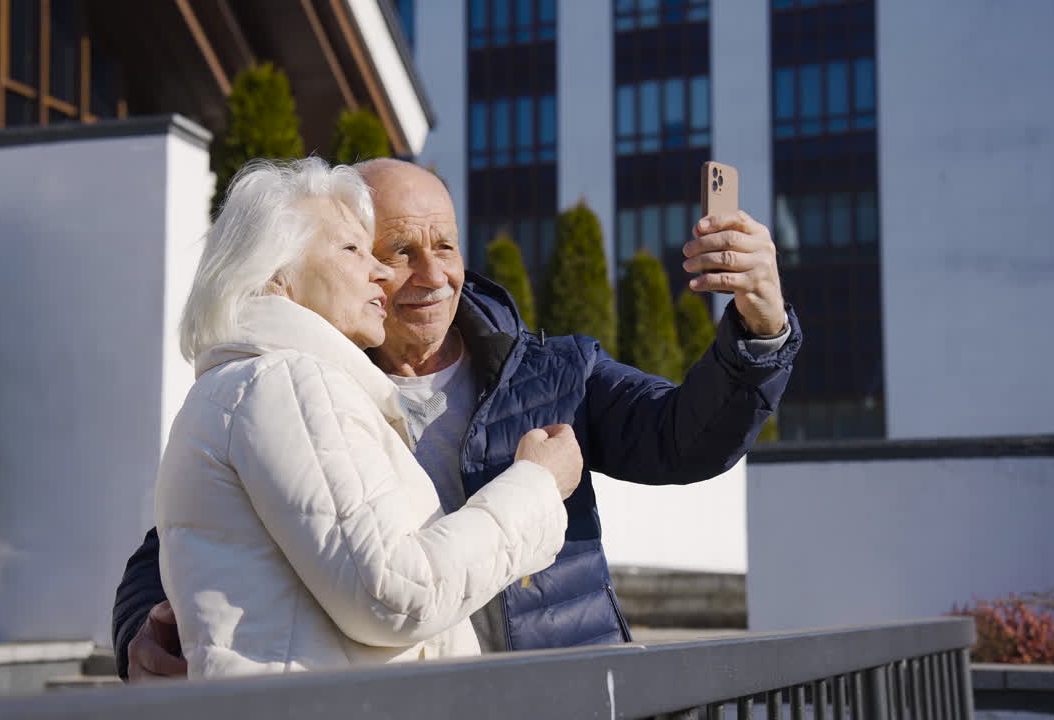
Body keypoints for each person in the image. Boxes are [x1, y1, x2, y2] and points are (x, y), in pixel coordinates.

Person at [113, 158, 802, 680]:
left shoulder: (553, 372)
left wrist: (760, 327)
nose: (429, 274)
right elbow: (178, 540)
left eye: (444, 246)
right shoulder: (306, 389)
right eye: (393, 251)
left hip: (558, 696)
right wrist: (142, 627)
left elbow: (686, 440)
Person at [153, 157, 580, 677]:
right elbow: (396, 596)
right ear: (277, 276)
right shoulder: (287, 381)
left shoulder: (239, 385)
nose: (379, 269)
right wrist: (536, 485)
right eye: (353, 249)